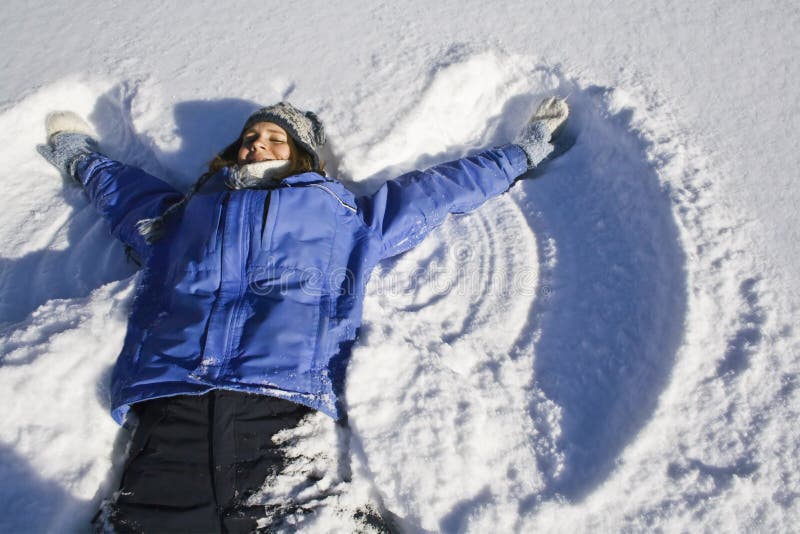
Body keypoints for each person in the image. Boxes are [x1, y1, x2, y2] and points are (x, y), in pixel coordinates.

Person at [37, 97, 569, 533]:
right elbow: (123, 197)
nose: (257, 143)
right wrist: (80, 155)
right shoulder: (185, 213)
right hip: (170, 405)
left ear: (302, 154)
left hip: (282, 408)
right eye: (250, 136)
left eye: (275, 137)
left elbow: (436, 193)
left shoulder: (339, 214)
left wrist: (519, 154)